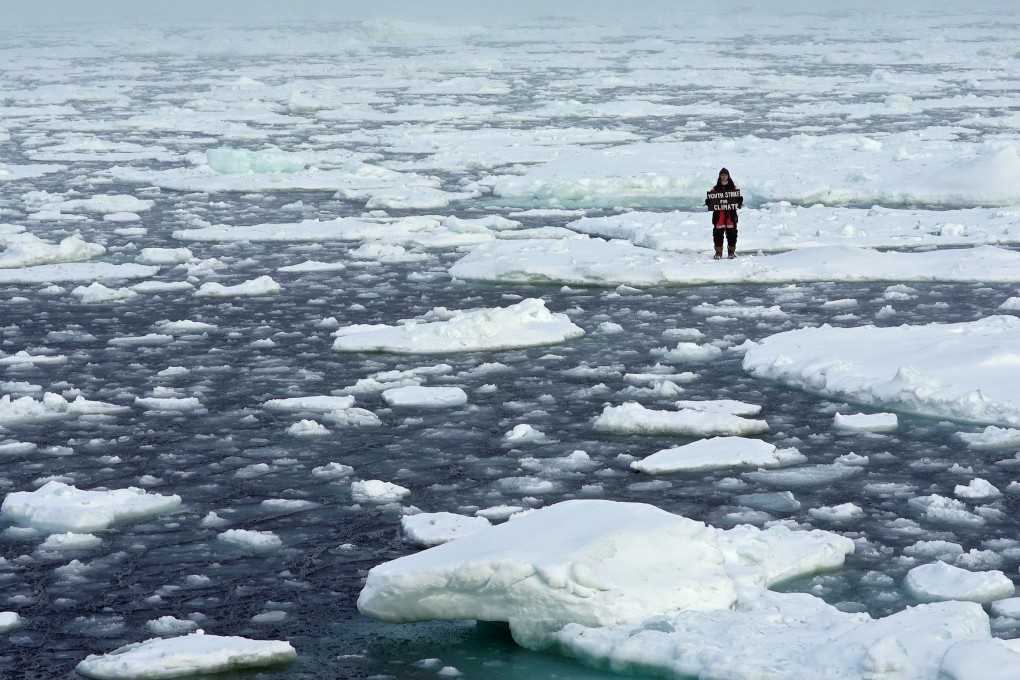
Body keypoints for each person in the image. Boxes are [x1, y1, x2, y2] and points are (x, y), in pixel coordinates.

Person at [705, 167, 742, 259]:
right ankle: (718, 253)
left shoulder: (733, 188)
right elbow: (712, 200)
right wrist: (709, 202)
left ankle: (731, 252)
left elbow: (736, 202)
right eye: (722, 175)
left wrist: (739, 200)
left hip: (730, 217)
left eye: (725, 175)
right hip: (719, 217)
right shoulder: (715, 189)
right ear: (720, 176)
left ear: (728, 176)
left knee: (732, 235)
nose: (724, 177)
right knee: (717, 235)